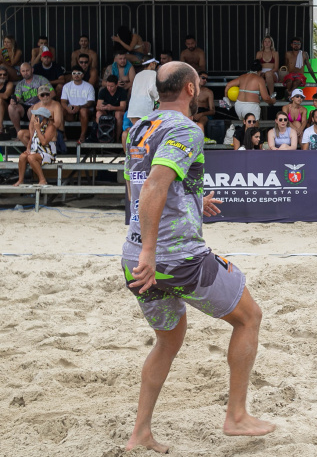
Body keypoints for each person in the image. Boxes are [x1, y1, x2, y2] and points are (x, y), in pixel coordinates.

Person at [122, 61, 274, 453]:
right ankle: (236, 416)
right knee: (250, 317)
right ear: (191, 89)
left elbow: (138, 185)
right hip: (172, 257)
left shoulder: (141, 127)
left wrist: (191, 201)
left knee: (167, 343)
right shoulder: (186, 129)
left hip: (132, 253)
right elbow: (155, 184)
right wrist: (154, 252)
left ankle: (140, 432)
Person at [13, 106, 56, 187]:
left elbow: (44, 142)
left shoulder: (51, 127)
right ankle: (20, 180)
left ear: (42, 117)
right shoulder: (37, 126)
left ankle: (42, 179)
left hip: (47, 154)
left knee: (31, 158)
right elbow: (32, 138)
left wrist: (38, 129)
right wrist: (28, 148)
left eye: (37, 116)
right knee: (22, 156)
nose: (35, 117)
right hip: (36, 151)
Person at [9, 62, 51, 133]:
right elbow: (18, 97)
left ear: (32, 70)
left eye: (27, 70)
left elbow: (52, 93)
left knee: (31, 111)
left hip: (40, 106)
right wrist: (14, 100)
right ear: (21, 72)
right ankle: (18, 132)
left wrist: (41, 102)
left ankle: (36, 134)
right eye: (23, 71)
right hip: (26, 107)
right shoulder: (20, 84)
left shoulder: (41, 79)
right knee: (11, 107)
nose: (25, 73)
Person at [61, 65, 95, 143]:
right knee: (61, 110)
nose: (76, 75)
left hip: (84, 110)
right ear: (71, 75)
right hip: (71, 111)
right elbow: (63, 101)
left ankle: (83, 135)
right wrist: (67, 108)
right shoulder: (66, 86)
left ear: (82, 75)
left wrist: (79, 107)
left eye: (79, 73)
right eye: (74, 73)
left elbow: (91, 102)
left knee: (83, 111)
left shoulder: (89, 86)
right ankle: (63, 134)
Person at [128, 59, 159, 127]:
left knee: (137, 132)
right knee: (146, 133)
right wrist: (158, 98)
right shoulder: (153, 73)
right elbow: (152, 89)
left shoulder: (138, 75)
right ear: (151, 64)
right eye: (155, 64)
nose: (155, 66)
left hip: (133, 108)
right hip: (144, 107)